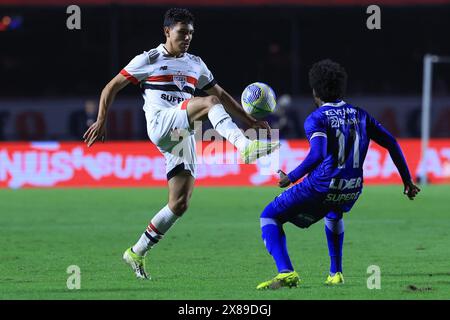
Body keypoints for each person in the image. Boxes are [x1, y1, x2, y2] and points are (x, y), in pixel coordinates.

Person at [83, 8, 279, 280]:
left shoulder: (196, 63)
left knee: (179, 203)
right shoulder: (148, 59)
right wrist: (102, 119)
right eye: (181, 32)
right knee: (209, 103)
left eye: (190, 33)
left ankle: (136, 251)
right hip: (162, 123)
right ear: (167, 32)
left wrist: (250, 119)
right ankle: (244, 146)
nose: (187, 37)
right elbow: (111, 86)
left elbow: (220, 93)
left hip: (181, 133)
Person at [256, 59, 420, 290]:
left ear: (315, 91)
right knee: (334, 212)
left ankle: (286, 272)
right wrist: (407, 181)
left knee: (269, 216)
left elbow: (317, 155)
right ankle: (336, 273)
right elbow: (391, 143)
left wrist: (290, 177)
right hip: (352, 188)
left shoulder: (317, 118)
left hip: (321, 186)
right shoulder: (360, 114)